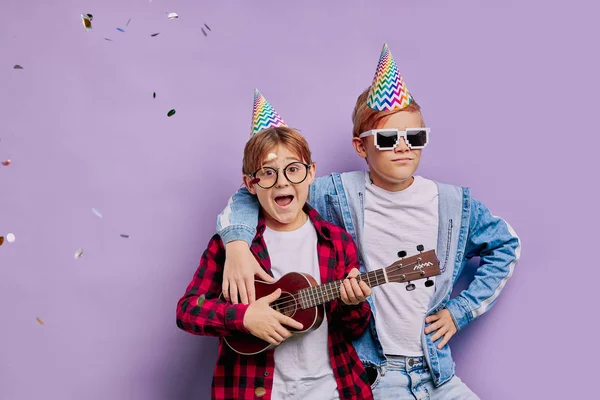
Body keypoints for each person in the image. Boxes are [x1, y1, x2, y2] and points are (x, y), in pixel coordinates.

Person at [215, 46, 522, 399]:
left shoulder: (454, 203)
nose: (403, 147)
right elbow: (256, 192)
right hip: (372, 373)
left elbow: (507, 244)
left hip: (437, 370)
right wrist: (236, 244)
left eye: (416, 137)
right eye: (388, 139)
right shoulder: (333, 193)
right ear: (361, 147)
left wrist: (460, 310)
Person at [176, 90, 374, 400]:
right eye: (268, 173)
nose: (282, 182)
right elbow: (187, 311)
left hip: (332, 389)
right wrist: (243, 318)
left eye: (293, 169)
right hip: (255, 390)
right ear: (250, 184)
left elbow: (355, 328)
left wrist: (353, 304)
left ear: (311, 174)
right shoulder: (231, 247)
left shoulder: (336, 242)